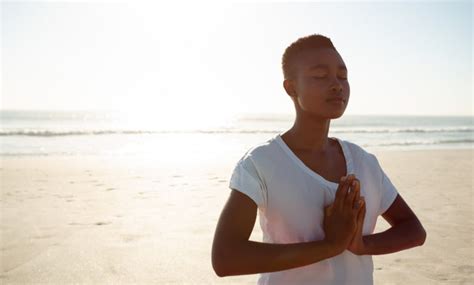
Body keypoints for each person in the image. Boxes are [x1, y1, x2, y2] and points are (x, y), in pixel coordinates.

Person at [211, 34, 427, 285]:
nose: (336, 85)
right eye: (320, 76)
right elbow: (226, 257)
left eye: (343, 77)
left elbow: (414, 230)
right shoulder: (261, 164)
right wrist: (330, 246)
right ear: (291, 87)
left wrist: (360, 244)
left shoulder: (364, 162)